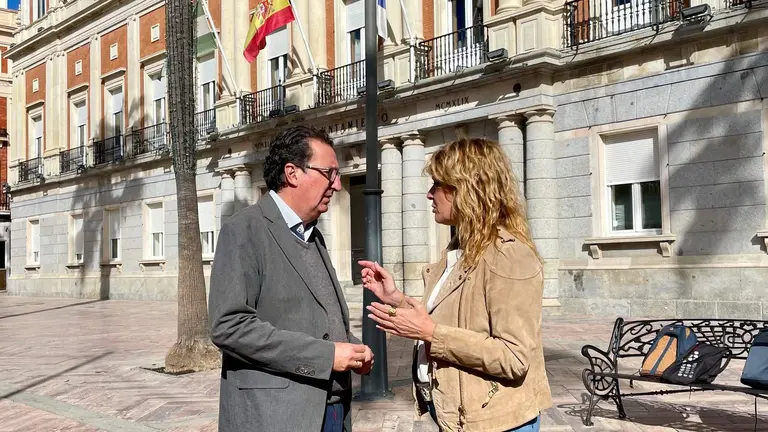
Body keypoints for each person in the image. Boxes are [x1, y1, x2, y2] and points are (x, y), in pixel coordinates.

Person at [359, 137, 552, 432]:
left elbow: (513, 357)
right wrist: (396, 298)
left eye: (437, 184)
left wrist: (430, 333)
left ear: (466, 188)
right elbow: (450, 316)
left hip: (497, 422)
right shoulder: (458, 250)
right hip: (455, 413)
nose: (429, 194)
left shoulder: (509, 256)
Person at [209, 125, 373, 432]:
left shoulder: (313, 236)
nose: (337, 185)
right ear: (293, 173)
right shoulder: (244, 230)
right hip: (276, 417)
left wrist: (352, 348)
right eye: (330, 173)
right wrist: (327, 357)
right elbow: (229, 327)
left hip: (332, 411)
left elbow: (310, 316)